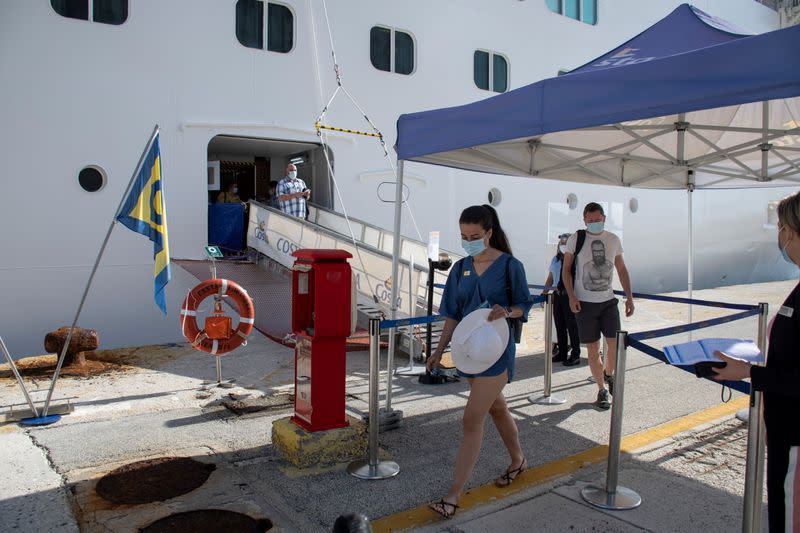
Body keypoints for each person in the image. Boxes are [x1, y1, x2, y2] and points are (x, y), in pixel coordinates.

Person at [426, 204, 533, 520]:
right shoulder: (460, 268)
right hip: (469, 353)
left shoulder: (511, 265)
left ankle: (452, 495)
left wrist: (508, 311)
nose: (468, 241)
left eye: (474, 235)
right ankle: (518, 461)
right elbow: (451, 315)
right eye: (463, 236)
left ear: (489, 232)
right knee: (497, 409)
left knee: (472, 418)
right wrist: (437, 350)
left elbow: (524, 304)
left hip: (497, 352)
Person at [712, 191, 800, 533]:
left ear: (791, 231)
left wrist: (749, 372)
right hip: (783, 433)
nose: (779, 236)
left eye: (780, 227)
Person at [562, 202, 634, 410]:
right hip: (584, 304)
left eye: (597, 220)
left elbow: (621, 268)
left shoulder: (613, 239)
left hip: (608, 302)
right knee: (593, 349)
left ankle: (608, 373)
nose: (594, 223)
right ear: (584, 220)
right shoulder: (576, 239)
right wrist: (571, 296)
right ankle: (602, 389)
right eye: (590, 220)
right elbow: (566, 270)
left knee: (615, 346)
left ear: (604, 218)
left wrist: (629, 297)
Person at [543, 233, 581, 366]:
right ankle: (562, 352)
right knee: (559, 325)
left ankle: (576, 354)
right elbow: (551, 277)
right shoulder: (555, 259)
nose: (563, 245)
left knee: (572, 325)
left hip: (569, 295)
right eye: (562, 243)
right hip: (557, 295)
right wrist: (545, 293)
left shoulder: (575, 259)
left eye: (566, 243)